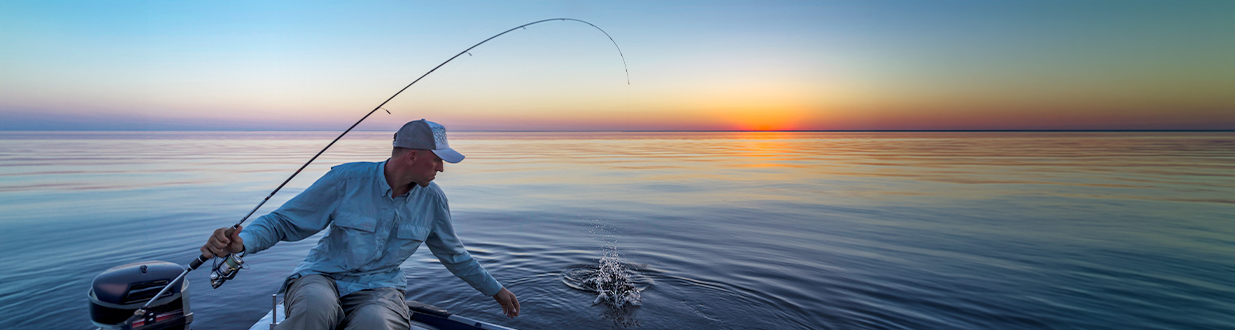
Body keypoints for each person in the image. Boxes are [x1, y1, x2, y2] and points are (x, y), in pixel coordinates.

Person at [200, 119, 519, 330]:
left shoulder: (433, 202)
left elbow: (455, 255)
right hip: (321, 275)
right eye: (436, 159)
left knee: (376, 323)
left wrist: (496, 290)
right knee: (314, 309)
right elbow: (284, 221)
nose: (441, 168)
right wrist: (243, 242)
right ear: (411, 156)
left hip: (381, 287)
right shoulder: (345, 179)